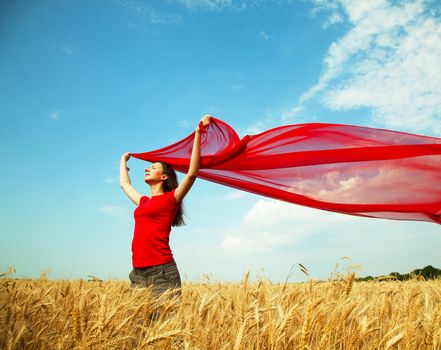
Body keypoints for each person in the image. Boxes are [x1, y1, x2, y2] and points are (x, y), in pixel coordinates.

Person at [119, 115, 212, 300]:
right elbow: (125, 184)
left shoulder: (171, 199)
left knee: (161, 324)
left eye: (153, 167)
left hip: (161, 272)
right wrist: (123, 161)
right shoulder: (144, 201)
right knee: (139, 326)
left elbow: (192, 173)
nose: (147, 169)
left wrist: (198, 133)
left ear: (164, 177)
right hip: (137, 272)